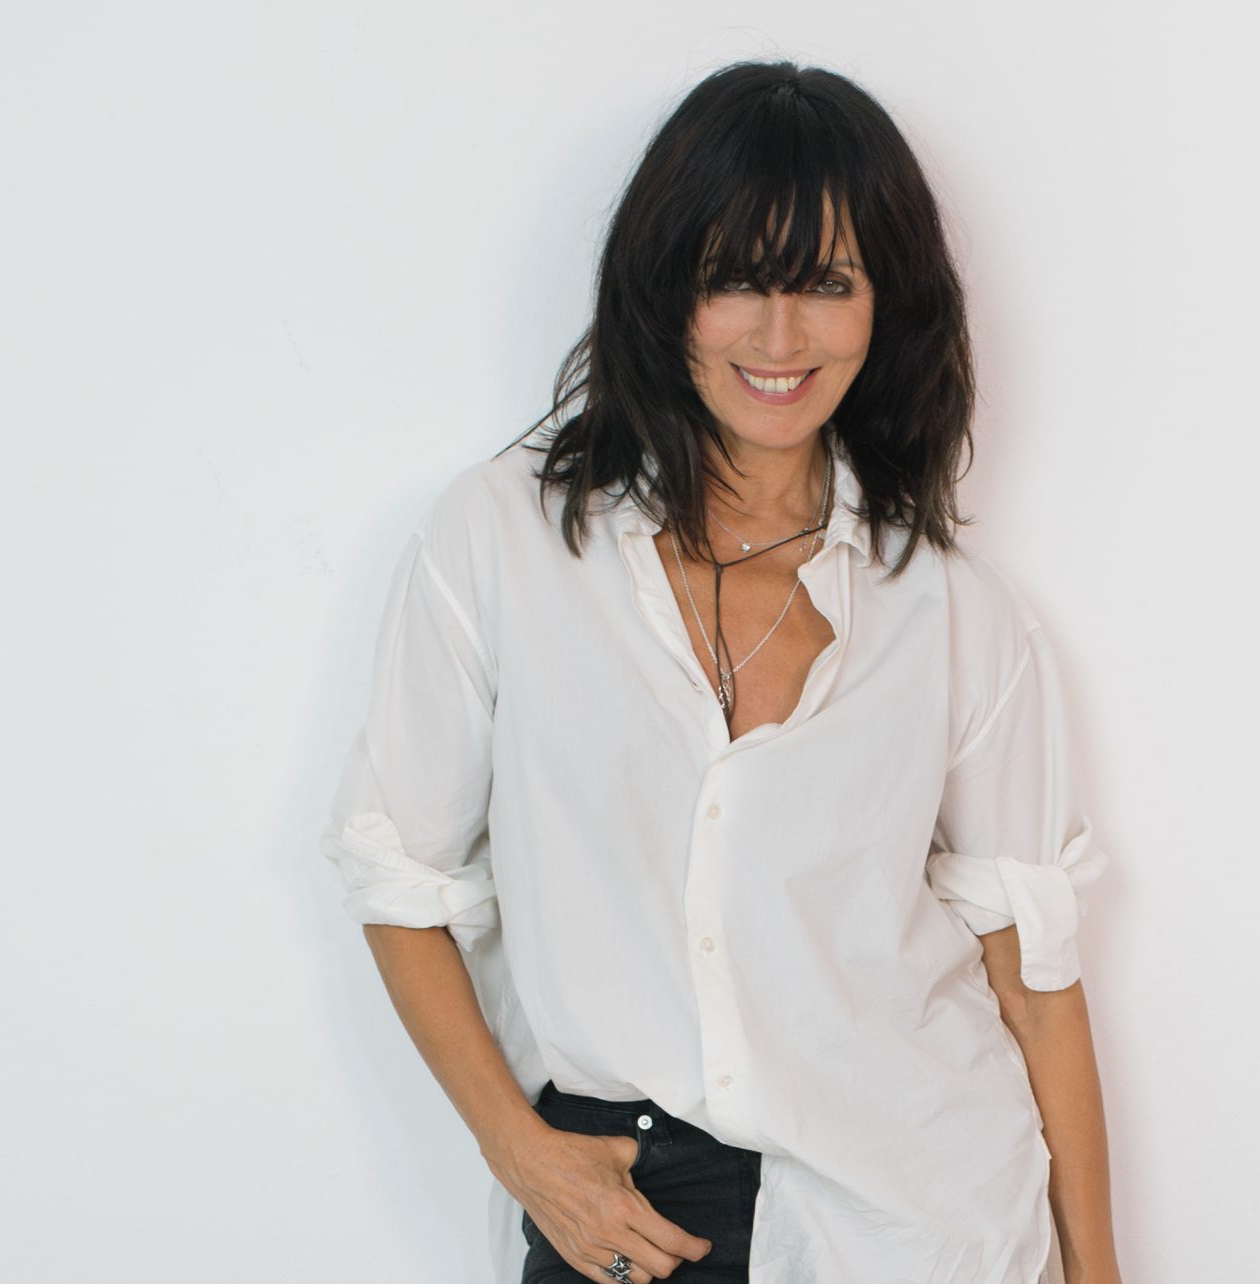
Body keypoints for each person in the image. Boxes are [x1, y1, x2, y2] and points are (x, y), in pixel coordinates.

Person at [316, 61, 1125, 1284]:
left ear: (886, 304)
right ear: (664, 286)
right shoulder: (501, 543)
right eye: (736, 278)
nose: (780, 337)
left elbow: (1037, 989)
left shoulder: (954, 614)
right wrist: (521, 1154)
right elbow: (399, 876)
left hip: (916, 1220)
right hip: (629, 1206)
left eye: (828, 283)